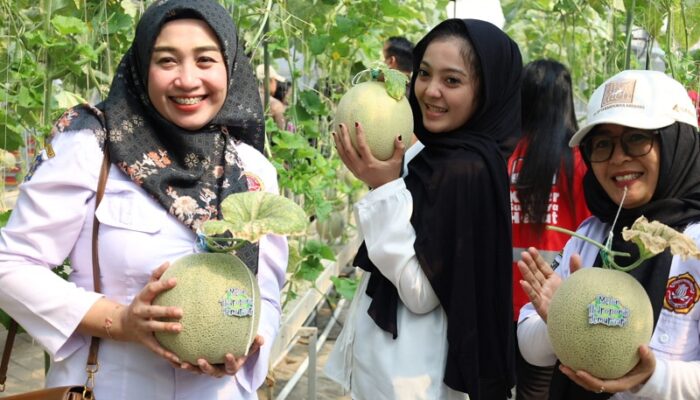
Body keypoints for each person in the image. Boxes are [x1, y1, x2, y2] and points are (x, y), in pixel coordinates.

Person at [0, 1, 288, 398]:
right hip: (109, 386)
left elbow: (267, 293)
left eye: (205, 60)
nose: (188, 80)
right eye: (167, 61)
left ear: (230, 66)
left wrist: (249, 347)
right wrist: (118, 321)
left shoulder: (251, 169)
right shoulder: (91, 145)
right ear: (141, 65)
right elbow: (9, 264)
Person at [325, 18, 522, 400]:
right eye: (425, 74)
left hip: (413, 381)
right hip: (396, 374)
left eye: (452, 81)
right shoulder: (440, 156)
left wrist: (384, 188)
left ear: (487, 91)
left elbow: (420, 292)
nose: (430, 91)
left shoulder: (467, 169)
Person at [517, 69, 700, 400]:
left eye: (637, 138)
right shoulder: (590, 235)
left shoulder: (694, 243)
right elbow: (532, 349)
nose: (618, 157)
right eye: (602, 144)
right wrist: (555, 320)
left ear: (677, 141)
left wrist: (652, 378)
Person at [509, 59, 591, 399]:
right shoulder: (579, 160)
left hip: (509, 297)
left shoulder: (507, 155)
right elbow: (591, 233)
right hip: (556, 301)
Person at [256, 64, 287, 130]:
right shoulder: (275, 105)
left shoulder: (247, 99)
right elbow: (283, 130)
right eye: (276, 81)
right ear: (272, 81)